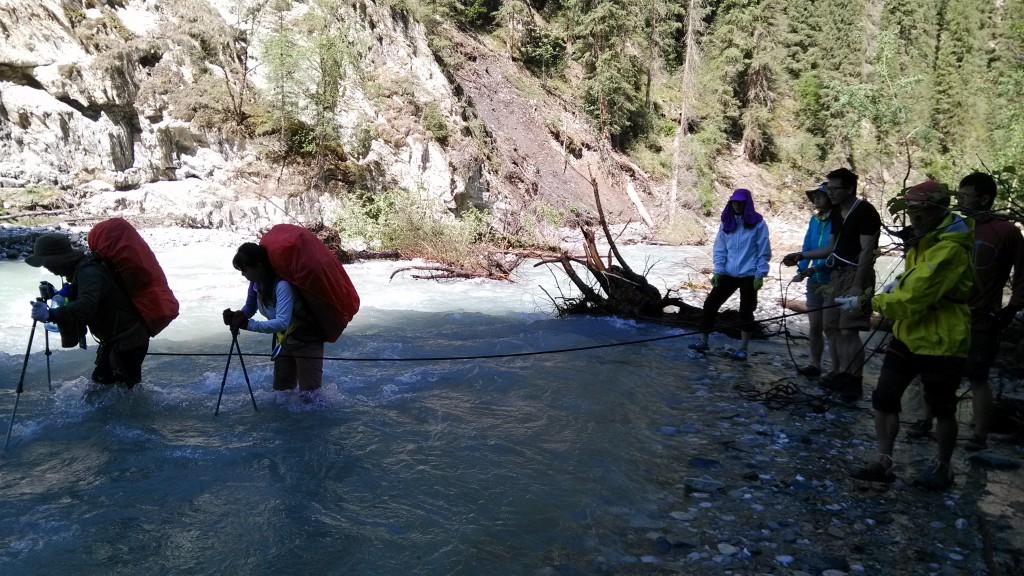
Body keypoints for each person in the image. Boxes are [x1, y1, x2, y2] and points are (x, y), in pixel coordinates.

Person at [847, 181, 973, 491]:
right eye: (909, 210)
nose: (912, 216)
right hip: (909, 334)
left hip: (942, 339)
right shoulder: (924, 239)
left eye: (918, 210)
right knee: (885, 396)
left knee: (942, 407)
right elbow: (913, 282)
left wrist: (869, 301)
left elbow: (917, 297)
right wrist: (896, 284)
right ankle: (884, 461)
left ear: (938, 209)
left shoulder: (950, 249)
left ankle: (943, 468)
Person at [905, 172, 1024, 451]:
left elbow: (1023, 272)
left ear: (984, 199)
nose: (960, 201)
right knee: (931, 366)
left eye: (966, 196)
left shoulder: (1006, 232)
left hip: (982, 315)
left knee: (977, 375)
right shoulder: (953, 225)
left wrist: (1014, 307)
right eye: (958, 196)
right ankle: (926, 420)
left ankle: (979, 435)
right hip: (943, 311)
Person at [783, 167, 881, 402]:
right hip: (837, 274)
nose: (830, 193)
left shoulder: (864, 211)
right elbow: (831, 249)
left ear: (849, 189)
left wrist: (858, 286)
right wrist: (802, 256)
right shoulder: (838, 214)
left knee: (850, 329)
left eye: (835, 188)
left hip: (858, 274)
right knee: (833, 326)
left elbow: (868, 252)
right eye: (829, 188)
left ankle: (853, 381)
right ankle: (842, 373)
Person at [25, 233, 150, 388]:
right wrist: (59, 296)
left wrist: (50, 314)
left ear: (58, 260)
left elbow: (86, 305)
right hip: (119, 341)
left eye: (47, 263)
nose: (47, 268)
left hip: (127, 341)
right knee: (111, 393)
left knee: (111, 394)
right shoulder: (80, 270)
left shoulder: (89, 272)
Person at [223, 242, 326, 400]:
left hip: (307, 340)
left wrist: (248, 324)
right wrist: (238, 317)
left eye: (244, 270)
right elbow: (250, 307)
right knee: (281, 394)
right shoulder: (256, 284)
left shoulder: (282, 285)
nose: (243, 274)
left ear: (258, 266)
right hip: (283, 340)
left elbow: (282, 322)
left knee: (310, 398)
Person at [688, 188, 772, 360]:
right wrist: (718, 271)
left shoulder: (758, 224)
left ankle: (743, 349)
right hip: (729, 273)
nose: (737, 205)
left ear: (746, 203)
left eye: (740, 202)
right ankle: (703, 340)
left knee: (746, 311)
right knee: (710, 304)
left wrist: (760, 274)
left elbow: (763, 251)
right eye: (734, 202)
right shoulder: (727, 223)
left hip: (749, 274)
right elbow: (720, 249)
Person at [792, 182, 840, 377]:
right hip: (814, 278)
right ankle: (815, 365)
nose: (815, 199)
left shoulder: (838, 220)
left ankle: (836, 369)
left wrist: (814, 267)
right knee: (815, 327)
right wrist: (802, 269)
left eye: (820, 195)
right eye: (814, 196)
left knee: (830, 327)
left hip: (833, 278)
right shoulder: (815, 220)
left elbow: (835, 250)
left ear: (830, 196)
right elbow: (807, 244)